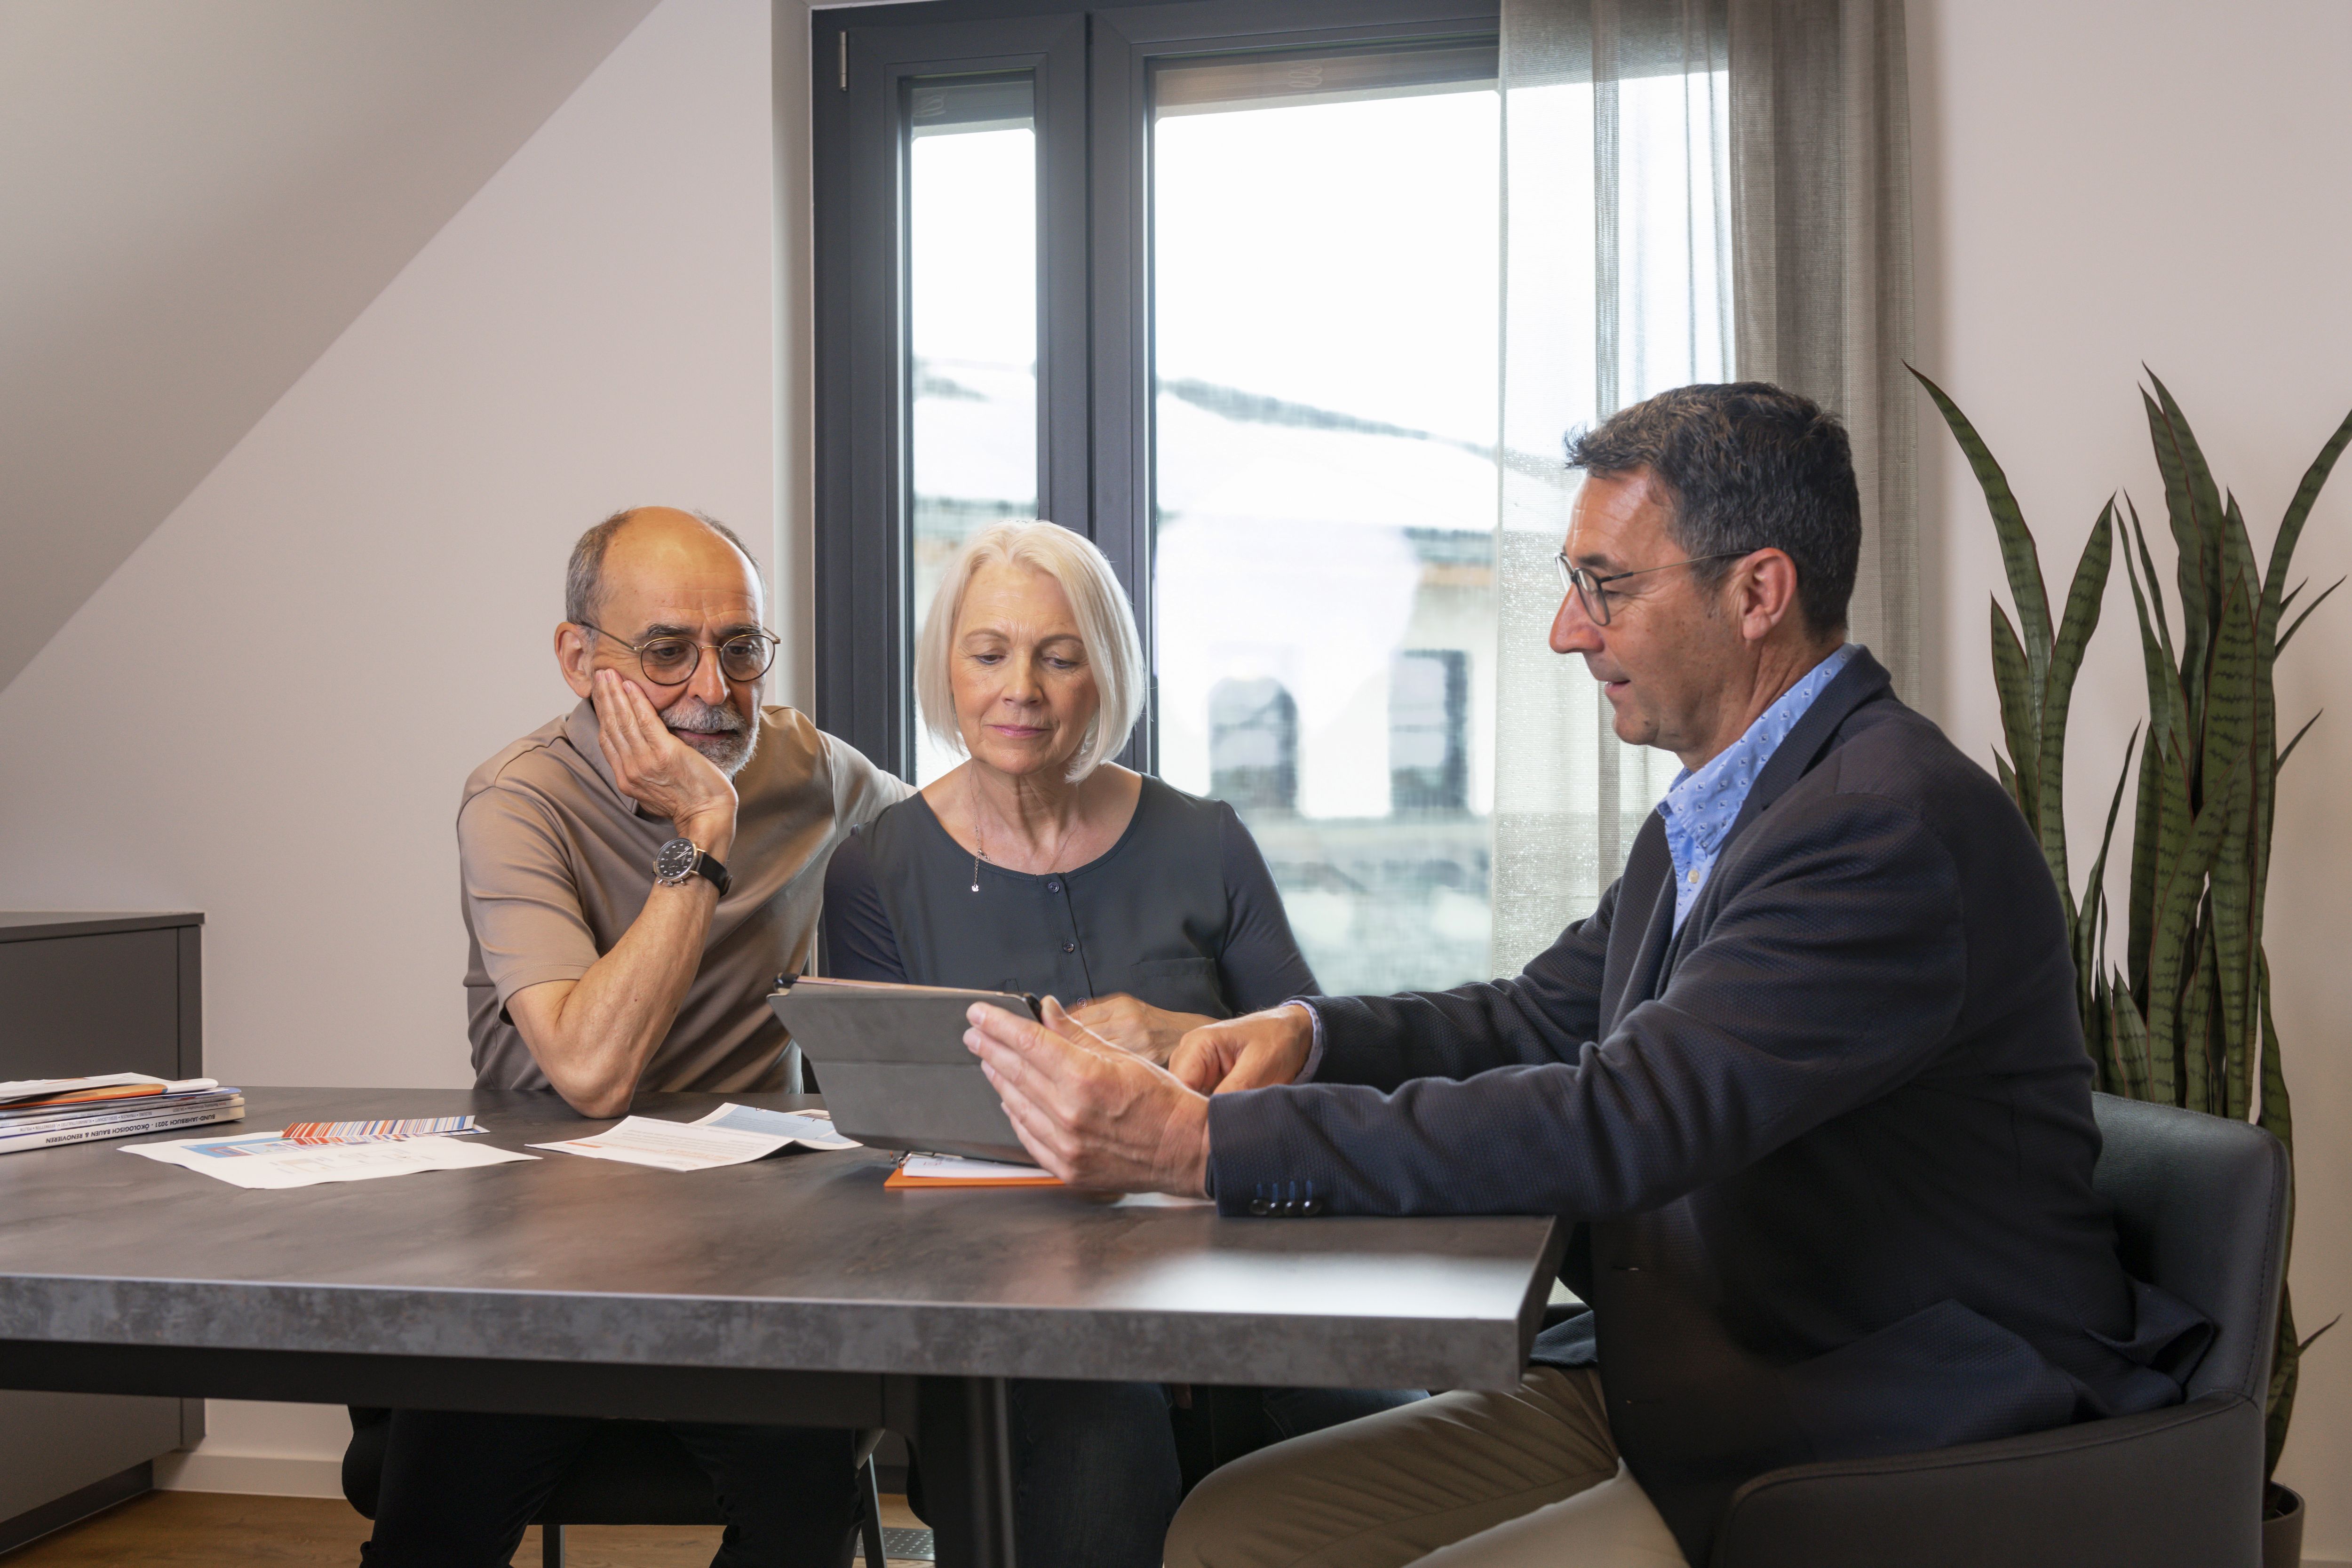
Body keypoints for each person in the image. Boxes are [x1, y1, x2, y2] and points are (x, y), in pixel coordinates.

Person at [957, 385, 2213, 1568]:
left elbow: (1626, 1113)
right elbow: (1542, 1015)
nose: (1570, 629)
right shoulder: (1725, 807)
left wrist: (1204, 1147)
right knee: (1233, 1531)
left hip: (1867, 1424)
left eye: (1605, 587)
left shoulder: (1884, 826)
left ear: (1759, 590)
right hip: (1689, 1380)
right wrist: (1302, 1031)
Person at [823, 519, 1418, 1568]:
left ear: (1105, 673)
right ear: (946, 668)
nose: (1023, 688)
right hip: (1013, 1302)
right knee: (1099, 1461)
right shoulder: (877, 868)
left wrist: (1184, 1033)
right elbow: (884, 1136)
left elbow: (1323, 1068)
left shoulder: (1206, 839)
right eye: (990, 652)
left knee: (1377, 1427)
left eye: (1059, 656)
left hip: (1239, 1265)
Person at [362, 506, 909, 1568]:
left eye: (740, 646)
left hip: (750, 1255)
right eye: (667, 651)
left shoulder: (816, 771)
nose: (712, 688)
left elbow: (956, 852)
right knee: (427, 1536)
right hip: (537, 1254)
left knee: (809, 1520)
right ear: (580, 658)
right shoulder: (517, 798)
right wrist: (703, 833)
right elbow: (591, 1067)